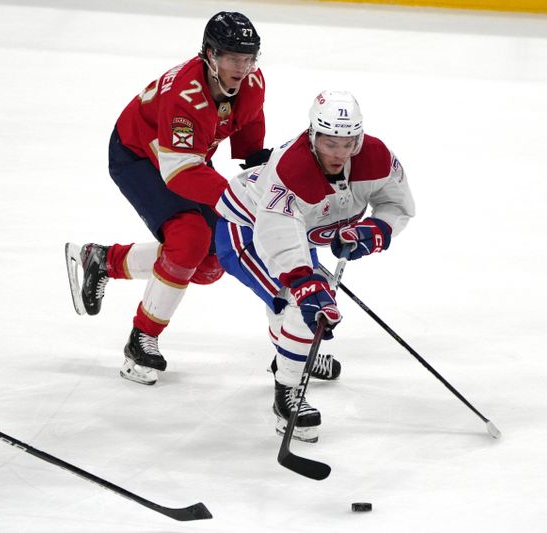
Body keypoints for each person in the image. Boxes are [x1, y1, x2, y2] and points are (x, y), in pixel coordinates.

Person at [65, 12, 270, 386]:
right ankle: (141, 339)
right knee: (189, 239)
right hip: (138, 156)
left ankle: (103, 259)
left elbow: (250, 120)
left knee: (210, 263)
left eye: (249, 58)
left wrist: (256, 163)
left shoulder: (252, 81)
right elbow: (179, 173)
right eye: (232, 58)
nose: (242, 67)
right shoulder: (184, 95)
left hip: (185, 158)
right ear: (210, 54)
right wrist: (238, 198)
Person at [213, 91, 415, 443]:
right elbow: (277, 237)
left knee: (313, 304)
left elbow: (395, 204)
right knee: (304, 302)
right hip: (245, 228)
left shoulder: (377, 157)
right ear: (312, 134)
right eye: (330, 142)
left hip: (297, 231)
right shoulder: (291, 169)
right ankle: (287, 393)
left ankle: (292, 356)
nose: (340, 153)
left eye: (349, 143)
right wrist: (304, 283)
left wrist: (374, 230)